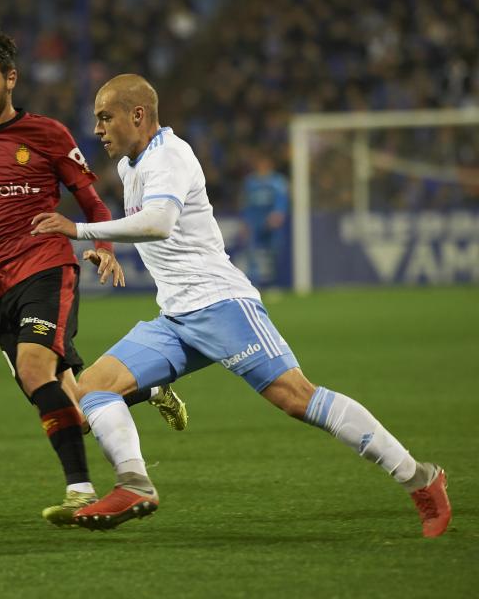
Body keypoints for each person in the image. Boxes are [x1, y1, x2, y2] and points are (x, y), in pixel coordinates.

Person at [31, 74, 452, 537]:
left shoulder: (170, 155)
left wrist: (79, 231)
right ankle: (134, 482)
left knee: (297, 398)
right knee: (92, 389)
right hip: (175, 318)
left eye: (105, 117)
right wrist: (105, 248)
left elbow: (159, 224)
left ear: (138, 115)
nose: (98, 129)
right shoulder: (132, 167)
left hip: (221, 304)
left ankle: (420, 478)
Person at [0, 29, 187, 527]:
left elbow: (91, 203)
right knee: (70, 402)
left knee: (32, 369)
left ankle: (79, 489)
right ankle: (147, 390)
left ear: (10, 80)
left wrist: (104, 247)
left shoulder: (48, 135)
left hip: (46, 267)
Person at [239, 148, 289, 288]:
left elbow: (281, 200)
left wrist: (278, 213)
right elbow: (245, 203)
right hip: (255, 222)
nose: (262, 167)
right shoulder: (250, 182)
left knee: (273, 252)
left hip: (271, 222)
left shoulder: (277, 181)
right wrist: (245, 222)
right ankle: (253, 284)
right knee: (252, 252)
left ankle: (273, 284)